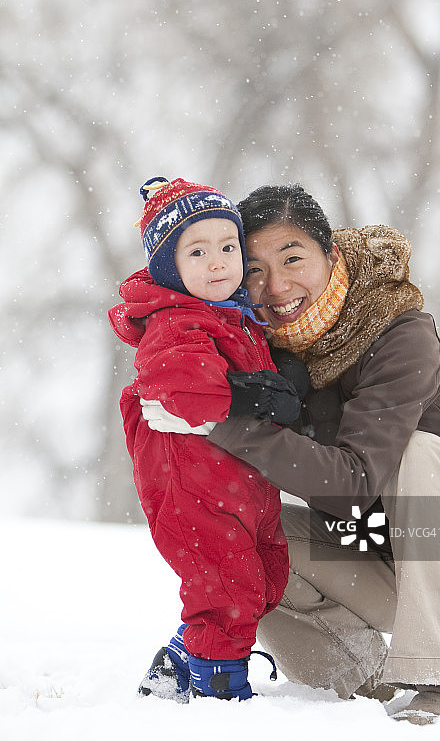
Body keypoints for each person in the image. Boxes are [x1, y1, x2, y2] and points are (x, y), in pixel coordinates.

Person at [141, 183, 440, 724]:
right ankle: (350, 686)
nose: (275, 286)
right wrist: (188, 395)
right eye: (252, 267)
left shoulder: (400, 333)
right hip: (383, 551)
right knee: (257, 545)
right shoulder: (264, 346)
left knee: (417, 453)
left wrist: (224, 423)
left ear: (332, 253)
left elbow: (351, 486)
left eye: (293, 258)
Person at [108, 177, 307, 702]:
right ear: (169, 266)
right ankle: (221, 692)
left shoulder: (231, 318)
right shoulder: (176, 321)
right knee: (228, 593)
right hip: (195, 489)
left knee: (261, 581)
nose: (218, 262)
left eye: (227, 247)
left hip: (237, 485)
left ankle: (179, 659)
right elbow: (183, 389)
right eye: (197, 251)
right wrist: (255, 396)